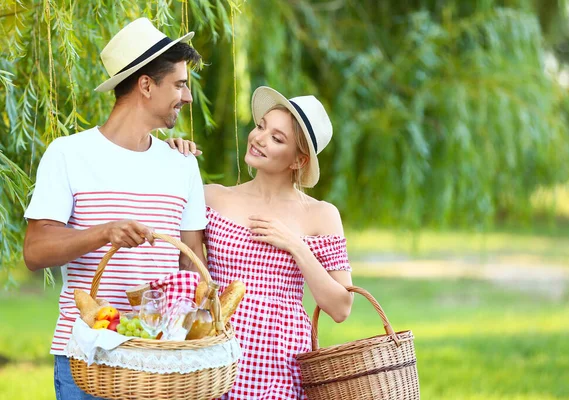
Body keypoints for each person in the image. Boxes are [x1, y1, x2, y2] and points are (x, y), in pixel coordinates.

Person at [22, 18, 208, 399]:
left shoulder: (183, 163)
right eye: (179, 84)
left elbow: (192, 265)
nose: (187, 97)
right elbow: (35, 251)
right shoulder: (68, 154)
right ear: (145, 85)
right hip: (89, 360)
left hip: (160, 360)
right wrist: (105, 232)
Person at [168, 86, 353, 399]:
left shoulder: (320, 215)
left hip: (281, 365)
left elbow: (340, 307)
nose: (259, 138)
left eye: (277, 138)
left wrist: (297, 246)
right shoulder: (213, 197)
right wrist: (173, 160)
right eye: (261, 126)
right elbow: (189, 271)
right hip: (216, 358)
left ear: (298, 161)